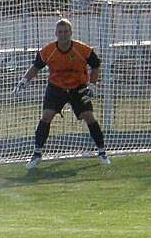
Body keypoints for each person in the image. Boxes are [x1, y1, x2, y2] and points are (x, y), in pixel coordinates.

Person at [14, 18, 109, 169]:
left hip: (78, 88)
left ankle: (102, 151)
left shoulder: (82, 49)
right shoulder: (48, 50)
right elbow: (36, 67)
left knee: (89, 117)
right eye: (60, 32)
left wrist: (92, 85)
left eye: (66, 32)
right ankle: (37, 153)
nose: (63, 35)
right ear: (55, 34)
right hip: (56, 88)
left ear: (71, 33)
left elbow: (96, 65)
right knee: (46, 116)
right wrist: (24, 81)